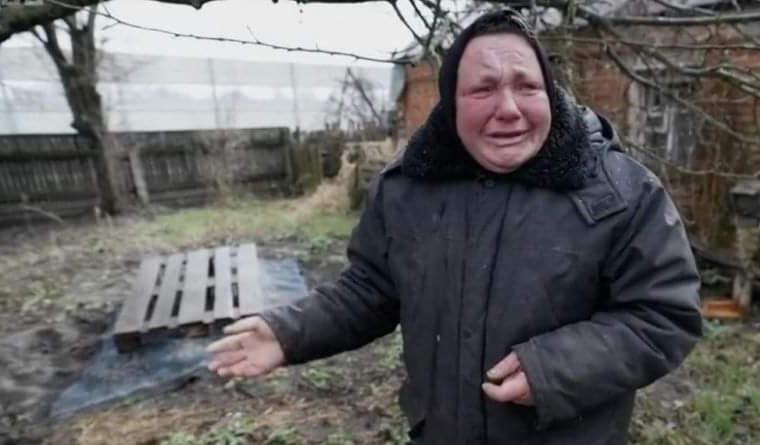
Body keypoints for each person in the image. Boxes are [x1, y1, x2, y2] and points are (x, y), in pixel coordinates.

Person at [207, 9, 702, 444]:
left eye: (526, 87)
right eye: (483, 89)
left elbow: (662, 314)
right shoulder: (409, 187)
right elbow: (371, 291)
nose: (508, 109)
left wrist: (554, 368)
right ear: (451, 103)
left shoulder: (620, 193)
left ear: (550, 93)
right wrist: (290, 333)